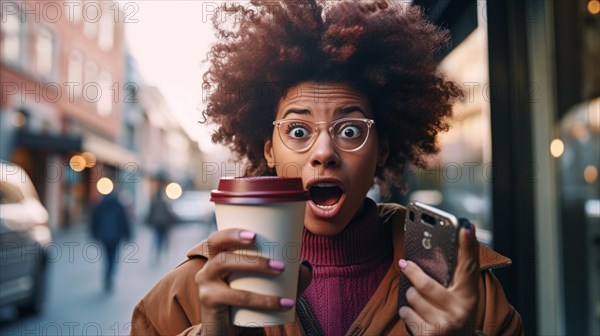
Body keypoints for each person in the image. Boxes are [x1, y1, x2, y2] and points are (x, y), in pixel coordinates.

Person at [131, 1, 523, 335]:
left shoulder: (460, 284)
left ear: (382, 149)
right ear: (269, 150)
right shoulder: (188, 295)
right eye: (298, 130)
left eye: (350, 130)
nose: (323, 152)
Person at [91, 189, 131, 292]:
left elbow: (94, 221)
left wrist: (94, 234)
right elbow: (124, 221)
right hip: (116, 236)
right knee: (113, 258)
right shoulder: (118, 205)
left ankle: (107, 274)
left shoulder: (100, 205)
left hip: (104, 236)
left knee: (107, 257)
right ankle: (110, 274)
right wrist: (128, 234)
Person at [146, 184, 177, 261]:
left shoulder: (154, 202)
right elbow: (168, 212)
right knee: (162, 238)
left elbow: (150, 213)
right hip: (163, 223)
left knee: (157, 237)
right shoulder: (164, 202)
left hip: (157, 223)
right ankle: (161, 252)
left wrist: (149, 221)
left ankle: (157, 252)